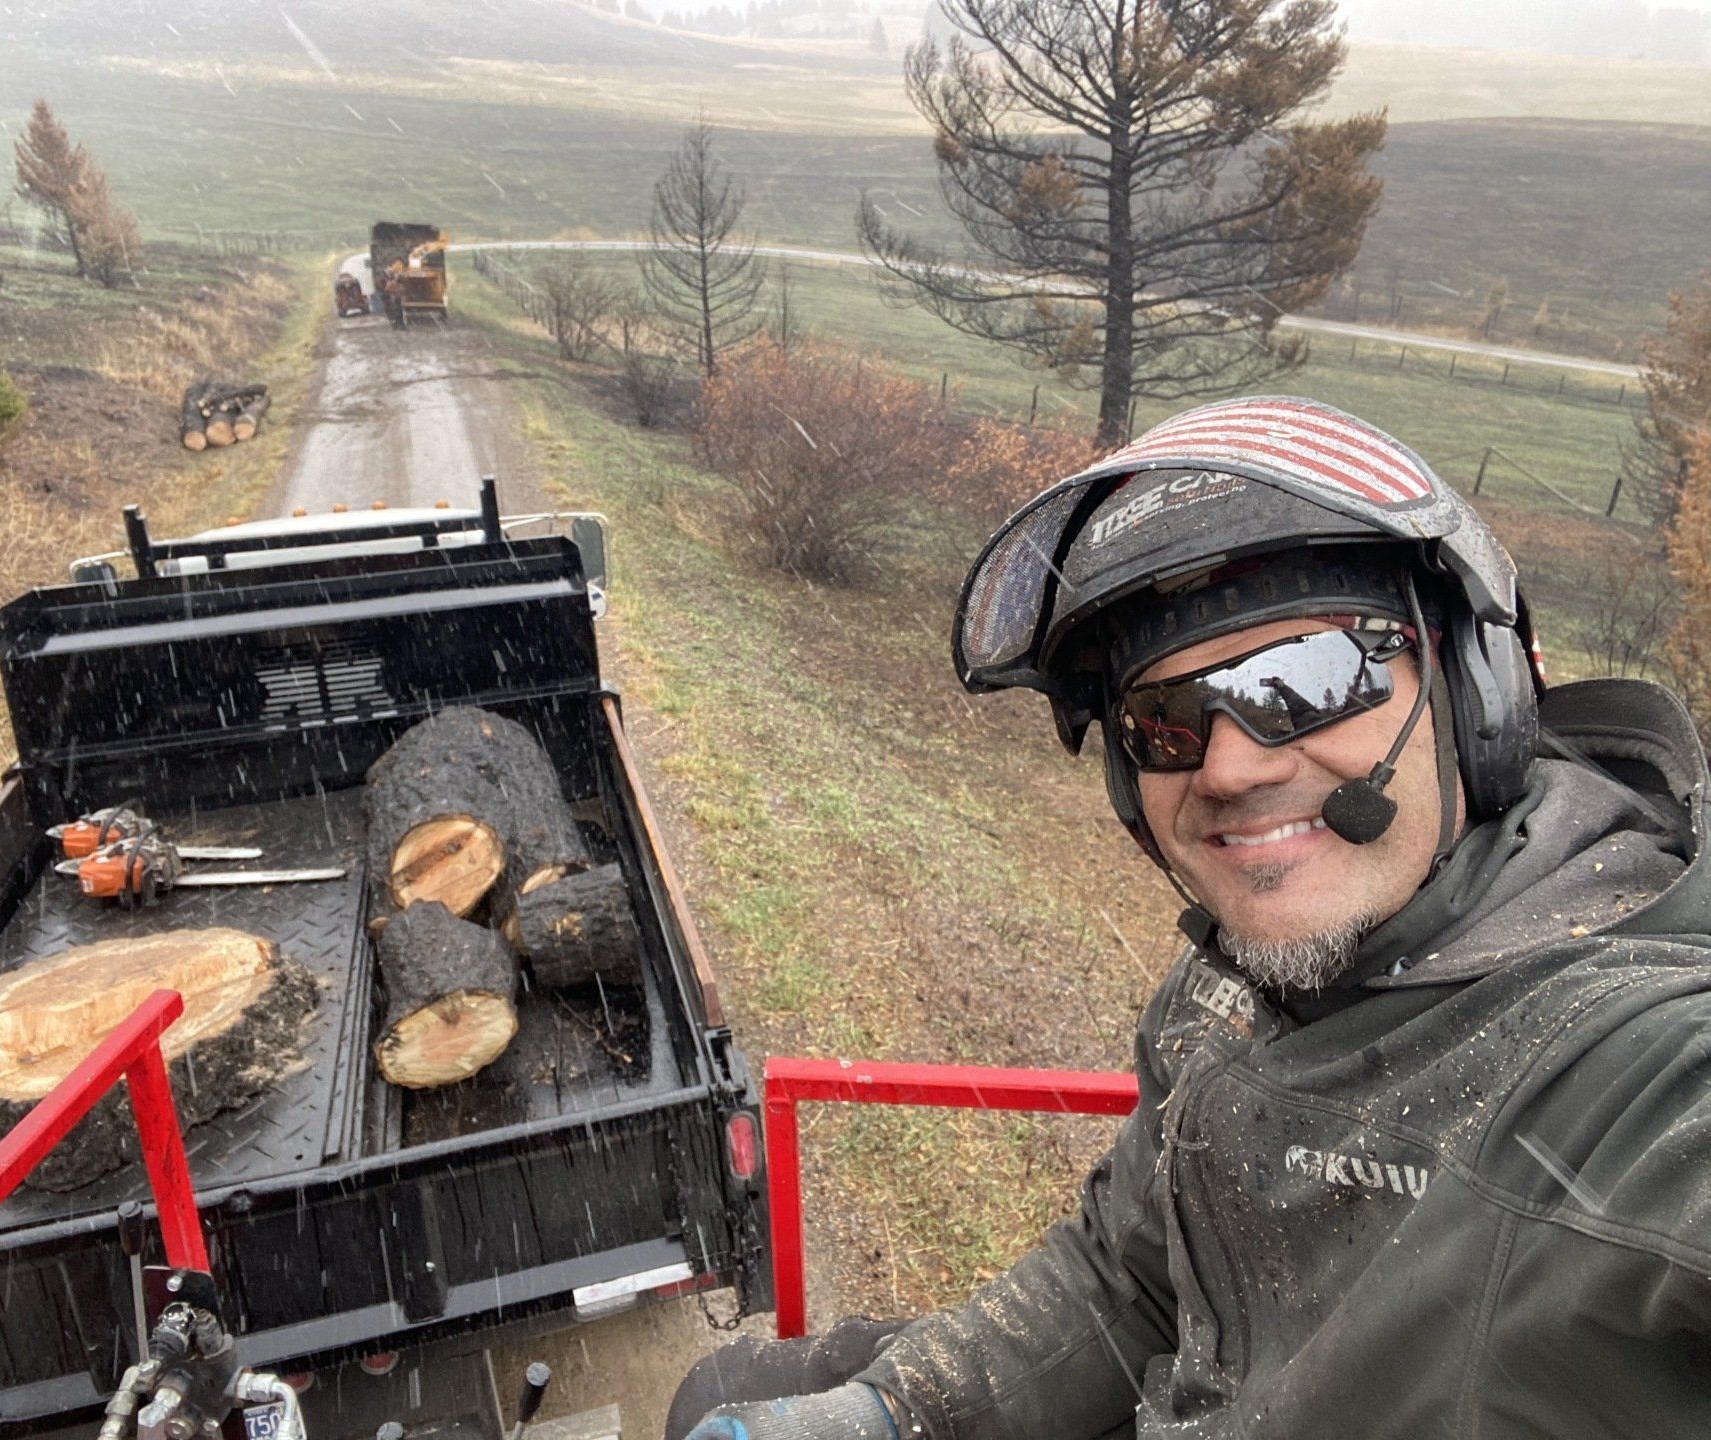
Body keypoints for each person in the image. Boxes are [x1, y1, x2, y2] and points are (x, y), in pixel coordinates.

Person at [671, 397, 1711, 1439]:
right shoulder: (1238, 976)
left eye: (1304, 680)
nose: (1228, 766)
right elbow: (1129, 1282)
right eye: (1164, 722)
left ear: (1477, 690)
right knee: (712, 1395)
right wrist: (889, 1413)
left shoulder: (1632, 1070)